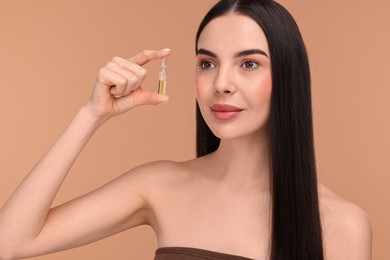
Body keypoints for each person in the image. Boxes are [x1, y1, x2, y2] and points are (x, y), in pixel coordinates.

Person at [0, 0, 372, 259]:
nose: (221, 83)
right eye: (207, 63)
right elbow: (10, 244)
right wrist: (91, 114)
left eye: (249, 65)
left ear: (288, 77)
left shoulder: (341, 224)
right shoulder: (159, 186)